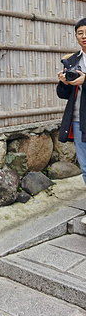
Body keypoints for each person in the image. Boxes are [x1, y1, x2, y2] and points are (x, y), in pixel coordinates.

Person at [57, 18, 86, 212]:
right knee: (85, 168)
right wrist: (64, 83)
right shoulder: (73, 60)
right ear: (76, 36)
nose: (84, 36)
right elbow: (63, 94)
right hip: (78, 120)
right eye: (80, 33)